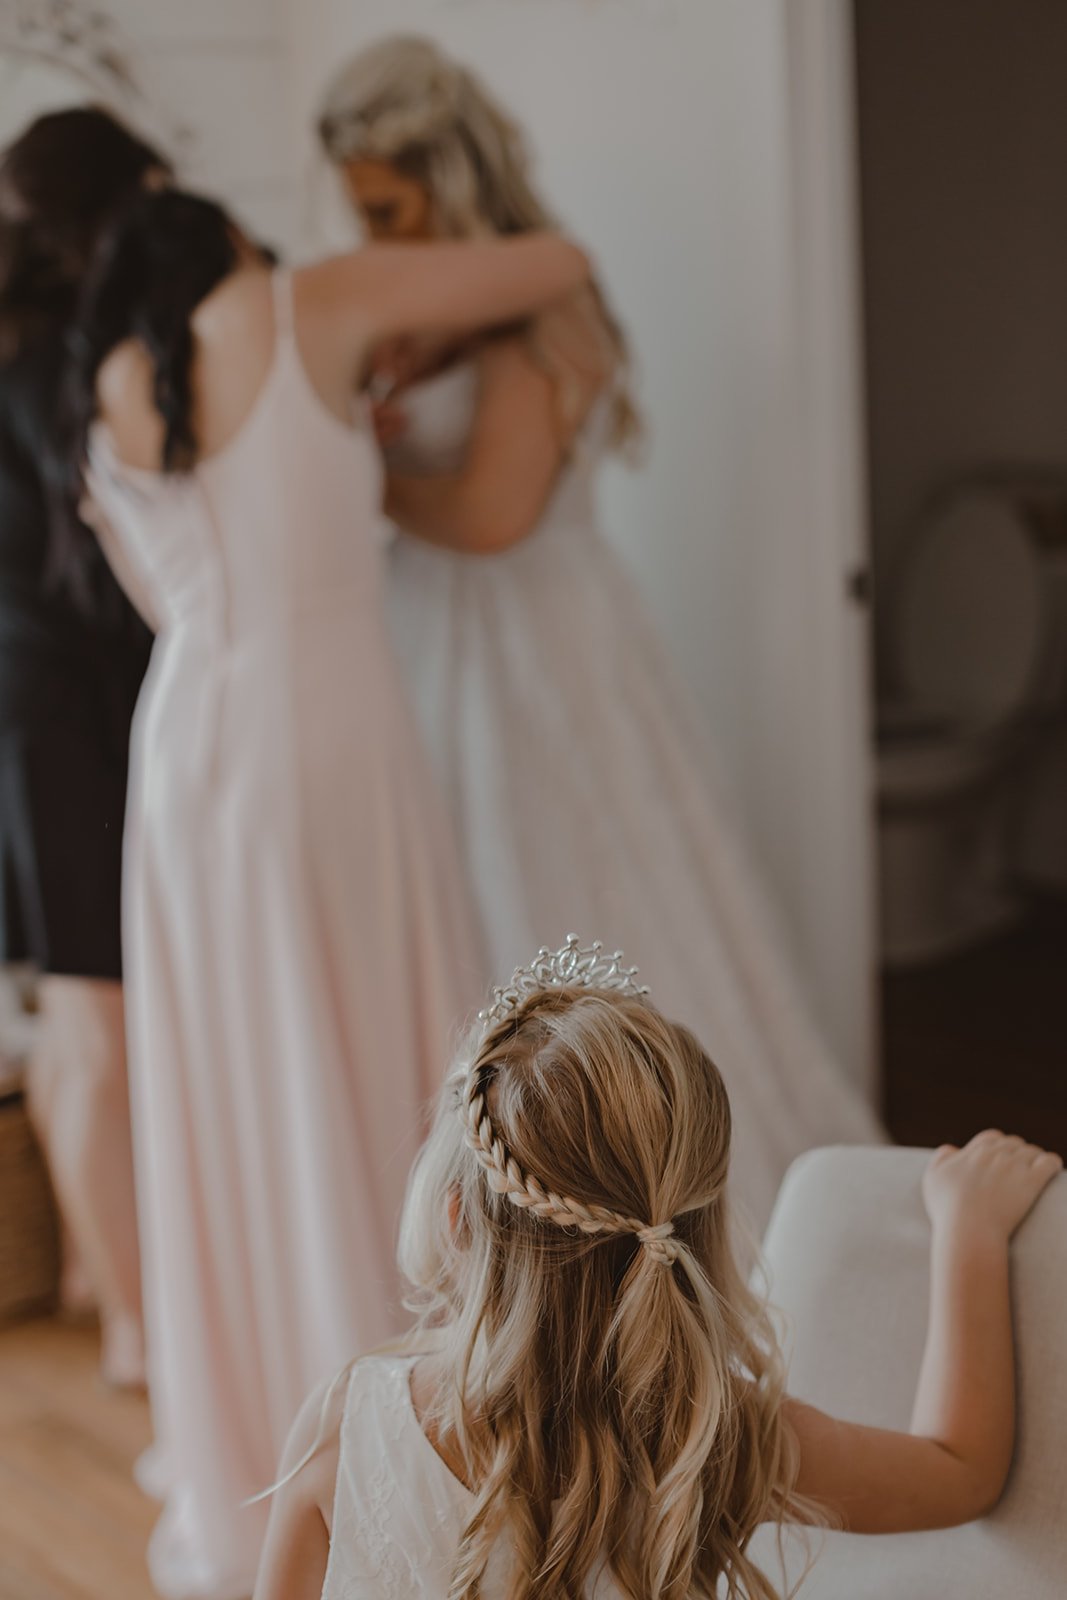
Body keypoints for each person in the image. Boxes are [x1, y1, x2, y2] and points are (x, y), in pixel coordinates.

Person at [64, 181, 589, 1598]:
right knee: (384, 1071)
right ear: (229, 235)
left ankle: (270, 1447)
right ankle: (415, 1433)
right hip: (324, 740)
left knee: (237, 1099)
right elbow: (548, 262)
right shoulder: (311, 301)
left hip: (186, 766)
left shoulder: (114, 380)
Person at [317, 37, 882, 1228]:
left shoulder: (537, 297)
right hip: (429, 636)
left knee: (560, 895)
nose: (368, 231)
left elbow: (490, 512)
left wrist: (342, 472)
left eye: (385, 202)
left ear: (444, 172)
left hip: (530, 640)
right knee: (445, 912)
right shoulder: (423, 292)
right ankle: (476, 1204)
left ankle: (607, 1192)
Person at [253, 936, 1062, 1600]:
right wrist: (969, 1233)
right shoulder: (719, 1438)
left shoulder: (345, 1429)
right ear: (693, 1230)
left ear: (457, 1220)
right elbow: (961, 1471)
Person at [0, 106, 168, 1387]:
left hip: (27, 708)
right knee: (99, 1020)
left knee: (70, 1018)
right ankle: (127, 1318)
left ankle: (87, 1274)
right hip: (62, 709)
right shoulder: (64, 360)